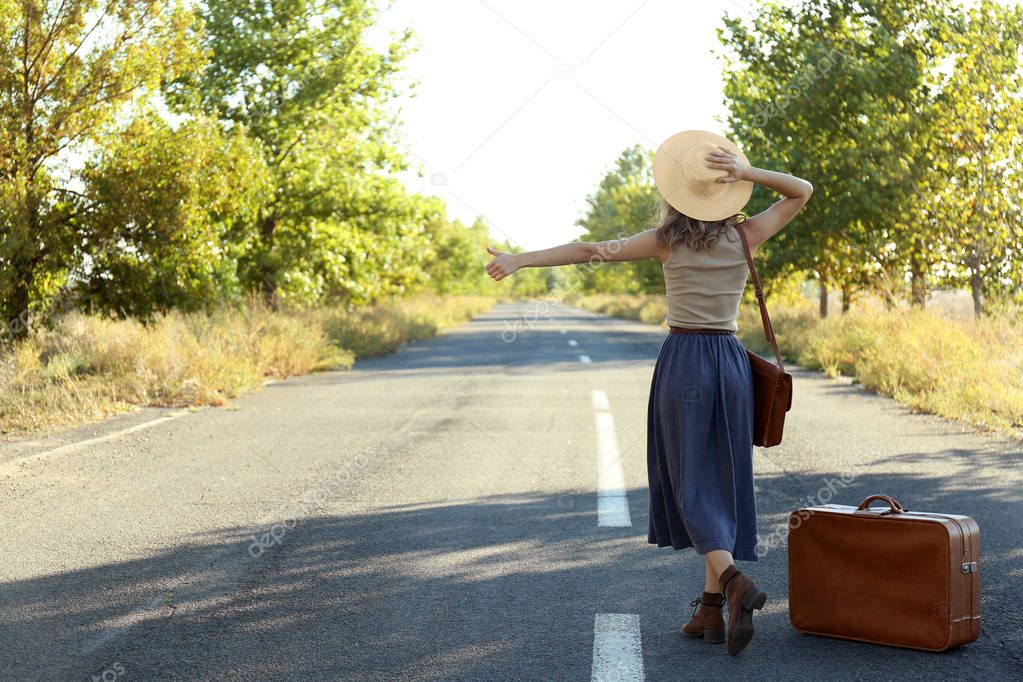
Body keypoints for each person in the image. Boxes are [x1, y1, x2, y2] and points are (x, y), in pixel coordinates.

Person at [484, 130, 813, 656]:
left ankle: (732, 583)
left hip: (684, 360)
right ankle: (708, 614)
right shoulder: (746, 236)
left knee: (688, 482)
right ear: (726, 191)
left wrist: (522, 258)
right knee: (718, 478)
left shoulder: (667, 241)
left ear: (676, 193)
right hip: (730, 362)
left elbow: (591, 250)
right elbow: (801, 189)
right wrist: (747, 172)